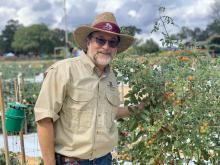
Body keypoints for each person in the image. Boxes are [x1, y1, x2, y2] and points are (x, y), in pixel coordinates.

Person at [34, 12, 136, 165]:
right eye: (100, 40)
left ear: (116, 48)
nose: (106, 47)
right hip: (72, 161)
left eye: (112, 42)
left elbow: (109, 112)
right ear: (88, 42)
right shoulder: (64, 71)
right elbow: (44, 119)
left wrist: (140, 108)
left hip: (105, 159)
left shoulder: (111, 77)